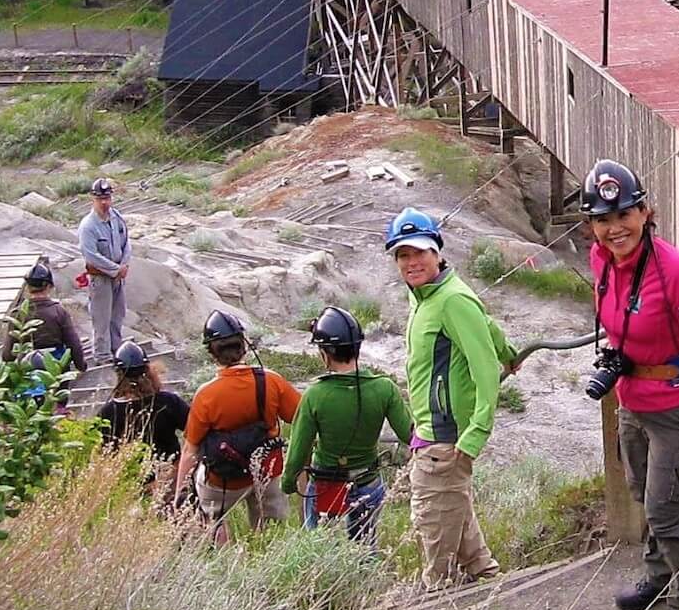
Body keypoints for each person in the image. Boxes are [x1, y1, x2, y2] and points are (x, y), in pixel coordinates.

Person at [584, 159, 679, 610]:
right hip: (633, 400)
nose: (614, 227)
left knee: (668, 510)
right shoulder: (601, 261)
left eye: (624, 214)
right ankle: (659, 573)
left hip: (678, 408)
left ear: (646, 212)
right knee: (646, 492)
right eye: (603, 219)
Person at [387, 207, 518, 589]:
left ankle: (437, 609)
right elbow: (487, 325)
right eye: (403, 254)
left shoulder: (450, 300)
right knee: (459, 529)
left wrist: (475, 435)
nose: (412, 262)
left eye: (419, 252)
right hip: (431, 435)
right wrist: (507, 350)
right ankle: (490, 583)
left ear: (438, 252)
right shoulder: (424, 296)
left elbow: (483, 373)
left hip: (446, 443)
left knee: (432, 530)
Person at [282, 305, 413, 545]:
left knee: (320, 549)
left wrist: (288, 482)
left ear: (325, 353)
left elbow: (298, 452)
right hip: (368, 480)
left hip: (326, 486)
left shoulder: (315, 395)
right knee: (365, 548)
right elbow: (409, 434)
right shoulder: (385, 389)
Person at [173, 309, 301, 543]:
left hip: (223, 478)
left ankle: (222, 555)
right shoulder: (271, 380)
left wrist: (180, 492)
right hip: (268, 471)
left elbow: (190, 449)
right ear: (244, 345)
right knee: (272, 534)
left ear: (212, 352)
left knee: (213, 519)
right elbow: (302, 419)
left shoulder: (206, 394)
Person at [98, 340, 188, 510]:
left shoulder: (108, 412)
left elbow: (102, 456)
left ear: (119, 374)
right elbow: (197, 433)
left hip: (131, 488)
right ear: (148, 371)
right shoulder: (168, 402)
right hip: (173, 480)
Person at [77, 177, 131, 362]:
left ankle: (117, 350)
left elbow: (126, 242)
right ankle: (101, 354)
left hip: (118, 276)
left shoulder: (117, 218)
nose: (104, 202)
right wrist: (115, 269)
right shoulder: (88, 226)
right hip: (100, 277)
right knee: (101, 318)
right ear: (93, 199)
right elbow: (91, 255)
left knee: (118, 314)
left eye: (107, 198)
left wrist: (124, 265)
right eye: (100, 198)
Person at [1, 261, 87, 375]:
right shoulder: (59, 311)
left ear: (27, 287)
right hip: (55, 368)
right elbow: (73, 343)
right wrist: (81, 366)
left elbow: (8, 353)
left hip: (28, 370)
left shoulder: (18, 314)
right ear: (48, 286)